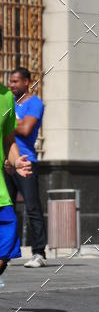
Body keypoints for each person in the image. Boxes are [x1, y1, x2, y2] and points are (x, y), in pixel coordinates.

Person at [6, 68, 47, 268]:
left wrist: (10, 122)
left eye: (15, 81)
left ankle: (39, 253)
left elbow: (26, 129)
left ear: (26, 82)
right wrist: (16, 122)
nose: (11, 85)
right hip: (6, 162)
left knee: (32, 208)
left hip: (26, 161)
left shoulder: (35, 103)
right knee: (6, 208)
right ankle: (8, 252)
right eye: (10, 81)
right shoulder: (9, 103)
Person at [0, 81, 32, 282]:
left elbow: (8, 139)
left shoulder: (6, 97)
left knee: (4, 252)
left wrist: (16, 160)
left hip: (1, 194)